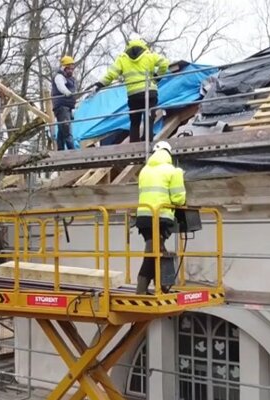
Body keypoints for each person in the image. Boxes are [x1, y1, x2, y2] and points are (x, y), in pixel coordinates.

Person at [93, 34, 169, 143]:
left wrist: (99, 84)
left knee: (134, 121)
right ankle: (148, 140)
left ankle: (134, 143)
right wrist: (158, 76)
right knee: (149, 117)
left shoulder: (122, 59)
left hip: (133, 95)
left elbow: (111, 74)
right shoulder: (149, 56)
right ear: (142, 42)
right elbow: (164, 63)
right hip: (149, 92)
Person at [134, 140, 185, 295]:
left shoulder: (144, 171)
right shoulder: (173, 171)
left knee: (156, 250)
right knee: (153, 252)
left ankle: (160, 287)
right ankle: (142, 289)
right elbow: (178, 199)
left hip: (143, 217)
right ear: (169, 154)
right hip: (160, 217)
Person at [51, 55, 77, 151]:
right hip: (62, 107)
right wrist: (68, 93)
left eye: (72, 68)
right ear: (64, 68)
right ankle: (73, 153)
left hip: (68, 107)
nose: (71, 70)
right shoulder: (59, 77)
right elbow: (61, 86)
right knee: (67, 131)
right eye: (69, 68)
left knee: (62, 131)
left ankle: (60, 150)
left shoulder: (71, 79)